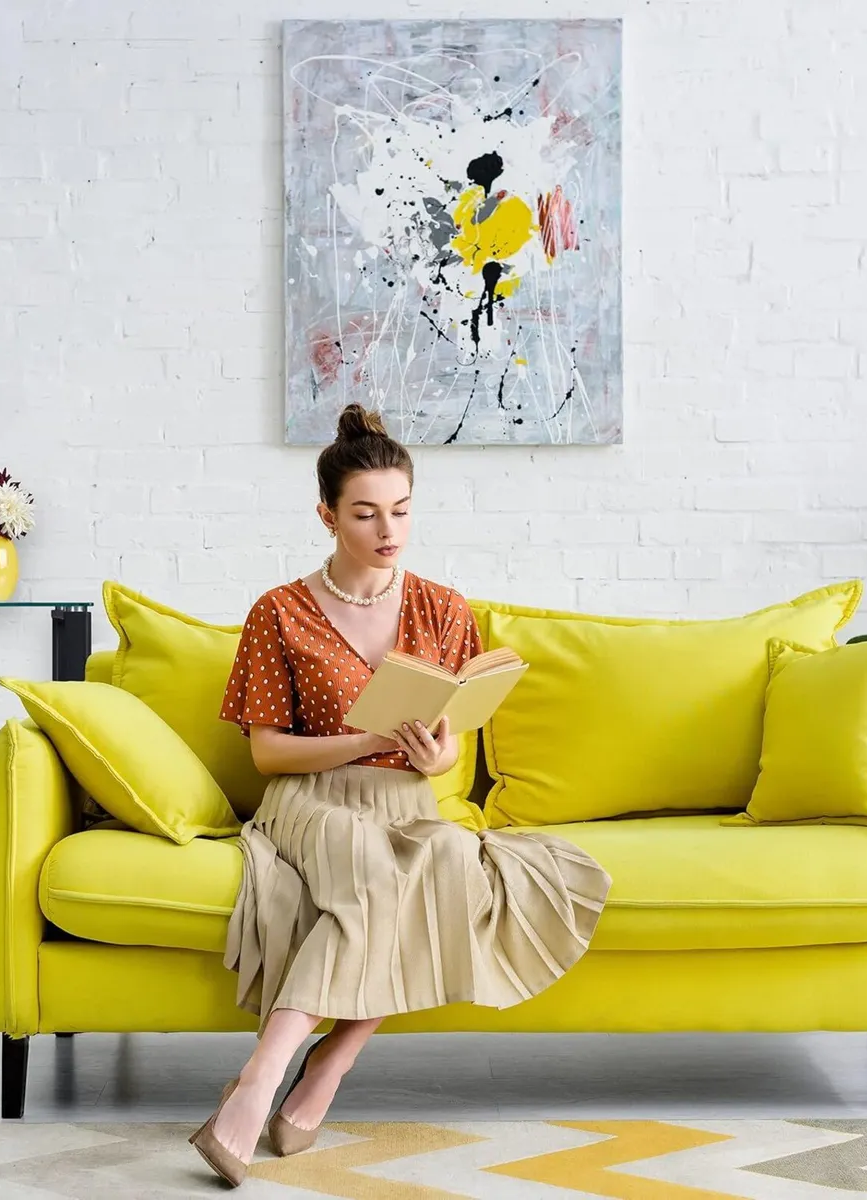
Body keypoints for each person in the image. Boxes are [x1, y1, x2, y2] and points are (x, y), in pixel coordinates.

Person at [188, 403, 612, 1186]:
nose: (389, 530)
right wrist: (365, 740)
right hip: (312, 801)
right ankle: (260, 1080)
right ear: (327, 516)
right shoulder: (277, 611)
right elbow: (268, 753)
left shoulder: (444, 609)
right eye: (366, 513)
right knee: (379, 877)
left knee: (448, 862)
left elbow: (449, 748)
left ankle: (331, 1063)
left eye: (402, 510)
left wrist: (433, 753)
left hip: (407, 804)